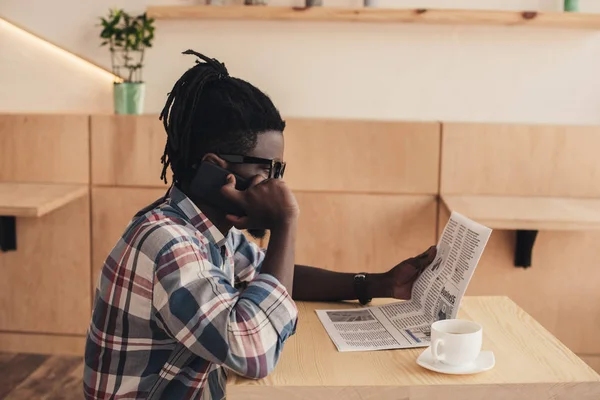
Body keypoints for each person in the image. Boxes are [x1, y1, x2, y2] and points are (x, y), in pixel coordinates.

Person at [83, 50, 437, 400]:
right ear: (215, 168)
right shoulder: (167, 242)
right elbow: (255, 352)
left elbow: (269, 275)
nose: (278, 185)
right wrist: (286, 222)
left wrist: (381, 283)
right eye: (269, 169)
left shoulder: (208, 230)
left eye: (279, 171)